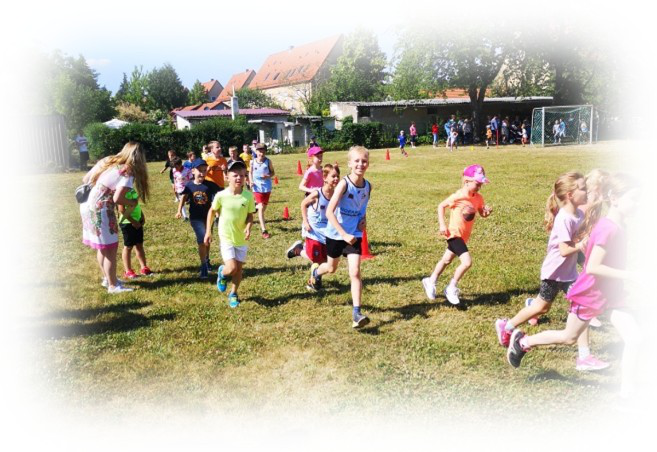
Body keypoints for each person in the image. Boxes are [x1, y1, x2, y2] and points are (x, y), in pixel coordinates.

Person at [507, 173, 641, 399]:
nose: (639, 204)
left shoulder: (619, 225)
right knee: (569, 337)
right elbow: (592, 267)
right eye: (634, 199)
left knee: (635, 338)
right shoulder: (607, 228)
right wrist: (631, 275)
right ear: (615, 199)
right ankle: (523, 342)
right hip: (590, 294)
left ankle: (628, 394)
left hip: (612, 295)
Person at [495, 172, 608, 371]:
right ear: (571, 195)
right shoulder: (564, 218)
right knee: (541, 307)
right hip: (554, 272)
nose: (587, 191)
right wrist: (581, 245)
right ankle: (508, 326)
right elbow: (564, 250)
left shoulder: (578, 214)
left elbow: (577, 240)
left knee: (581, 307)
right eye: (583, 189)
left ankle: (584, 356)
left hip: (569, 273)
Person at [308, 146, 372, 328]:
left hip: (354, 235)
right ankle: (316, 273)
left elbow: (362, 207)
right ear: (350, 164)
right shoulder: (344, 184)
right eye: (357, 161)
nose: (360, 164)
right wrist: (343, 234)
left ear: (368, 164)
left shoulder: (368, 186)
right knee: (331, 268)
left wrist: (363, 221)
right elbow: (329, 211)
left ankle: (356, 313)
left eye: (364, 161)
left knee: (355, 272)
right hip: (336, 234)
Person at [79, 141, 150, 294]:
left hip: (88, 207)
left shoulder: (111, 163)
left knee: (103, 247)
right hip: (102, 209)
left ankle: (108, 278)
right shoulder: (128, 171)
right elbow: (118, 198)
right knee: (110, 249)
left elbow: (86, 179)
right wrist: (133, 202)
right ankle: (113, 286)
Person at [421, 164, 492, 305]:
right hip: (454, 234)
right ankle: (451, 287)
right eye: (477, 183)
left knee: (446, 260)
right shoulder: (458, 196)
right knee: (467, 262)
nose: (479, 187)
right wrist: (442, 225)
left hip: (464, 237)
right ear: (466, 181)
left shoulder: (478, 198)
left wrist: (487, 213)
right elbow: (441, 206)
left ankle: (431, 280)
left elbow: (481, 213)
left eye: (481, 184)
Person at [204, 160, 255, 308]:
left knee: (238, 269)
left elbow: (250, 215)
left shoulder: (248, 196)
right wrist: (208, 231)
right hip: (226, 236)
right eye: (235, 175)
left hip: (241, 238)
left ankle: (233, 293)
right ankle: (222, 273)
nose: (239, 178)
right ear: (227, 177)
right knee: (231, 268)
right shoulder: (221, 195)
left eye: (242, 175)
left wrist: (248, 227)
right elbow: (212, 212)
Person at [286, 163, 341, 278]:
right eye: (333, 176)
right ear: (325, 178)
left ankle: (299, 250)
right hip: (313, 230)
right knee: (316, 260)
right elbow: (303, 204)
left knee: (325, 260)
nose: (336, 179)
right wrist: (305, 222)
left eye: (337, 176)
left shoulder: (337, 195)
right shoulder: (317, 194)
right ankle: (314, 279)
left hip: (326, 231)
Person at [176, 159, 219, 278]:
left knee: (207, 239)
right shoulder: (189, 185)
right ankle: (203, 265)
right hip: (196, 218)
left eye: (204, 170)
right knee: (202, 240)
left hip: (208, 217)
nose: (202, 173)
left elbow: (221, 193)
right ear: (193, 171)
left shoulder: (210, 185)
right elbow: (183, 197)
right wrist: (179, 210)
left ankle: (207, 259)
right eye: (199, 170)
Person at [117, 187, 153, 279]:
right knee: (128, 247)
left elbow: (136, 205)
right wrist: (133, 222)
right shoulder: (121, 191)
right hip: (127, 223)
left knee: (139, 245)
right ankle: (128, 271)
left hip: (137, 221)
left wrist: (142, 215)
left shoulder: (131, 189)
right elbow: (121, 210)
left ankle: (144, 267)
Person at [250, 142, 275, 239]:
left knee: (263, 208)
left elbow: (273, 172)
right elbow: (250, 172)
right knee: (261, 208)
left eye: (263, 151)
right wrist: (251, 181)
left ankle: (256, 207)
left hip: (267, 188)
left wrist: (267, 176)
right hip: (257, 188)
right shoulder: (252, 162)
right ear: (256, 152)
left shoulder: (268, 161)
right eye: (259, 151)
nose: (261, 153)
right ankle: (264, 230)